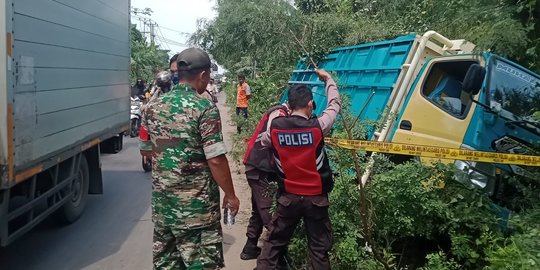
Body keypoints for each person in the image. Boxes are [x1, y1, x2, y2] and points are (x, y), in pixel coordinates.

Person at [141, 47, 240, 270]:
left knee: (167, 266)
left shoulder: (152, 107)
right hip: (198, 212)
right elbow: (215, 159)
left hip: (164, 209)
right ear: (203, 75)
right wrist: (231, 195)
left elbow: (147, 150)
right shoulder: (204, 107)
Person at [256, 69, 341, 270]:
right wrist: (328, 79)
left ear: (289, 105)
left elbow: (264, 141)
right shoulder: (318, 126)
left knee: (273, 244)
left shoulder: (275, 129)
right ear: (311, 104)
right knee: (319, 249)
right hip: (316, 200)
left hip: (288, 198)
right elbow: (334, 105)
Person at [240, 103, 289, 262]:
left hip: (257, 168)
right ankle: (276, 258)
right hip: (260, 169)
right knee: (269, 215)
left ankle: (250, 247)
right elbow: (272, 136)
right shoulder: (280, 114)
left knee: (258, 210)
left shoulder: (278, 111)